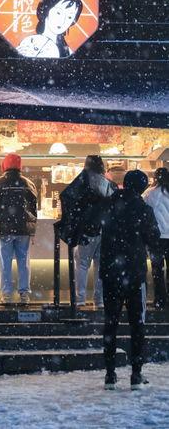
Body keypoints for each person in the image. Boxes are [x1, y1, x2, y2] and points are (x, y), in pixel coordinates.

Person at [100, 170, 160, 390]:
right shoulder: (143, 209)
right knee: (137, 324)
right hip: (134, 274)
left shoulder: (107, 205)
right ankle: (136, 374)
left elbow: (93, 227)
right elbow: (153, 238)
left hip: (110, 272)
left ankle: (110, 374)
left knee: (110, 323)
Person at [0, 153, 37, 304]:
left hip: (4, 229)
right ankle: (24, 295)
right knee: (24, 263)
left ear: (5, 165)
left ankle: (6, 295)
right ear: (20, 166)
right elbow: (33, 208)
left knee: (5, 263)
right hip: (23, 229)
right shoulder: (28, 183)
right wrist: (32, 229)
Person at [74, 155, 116, 309]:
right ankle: (100, 300)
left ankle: (80, 299)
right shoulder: (109, 184)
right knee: (101, 266)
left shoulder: (82, 184)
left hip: (87, 230)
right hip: (105, 230)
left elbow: (75, 206)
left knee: (82, 264)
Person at [17, 0, 83, 58]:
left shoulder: (68, 52)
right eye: (59, 13)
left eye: (69, 17)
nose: (63, 21)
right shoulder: (28, 44)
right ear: (46, 9)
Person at [143, 167, 169, 308]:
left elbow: (145, 210)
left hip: (157, 237)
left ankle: (160, 299)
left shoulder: (151, 193)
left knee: (157, 270)